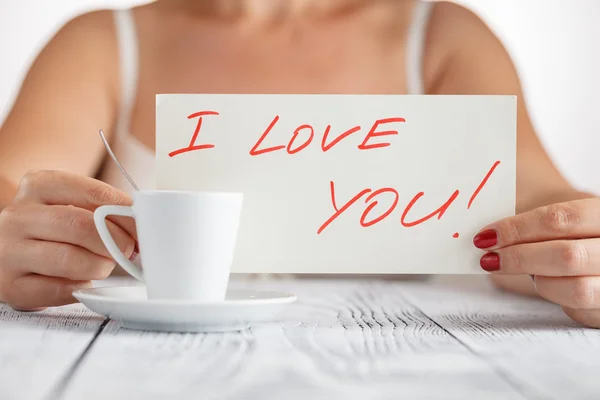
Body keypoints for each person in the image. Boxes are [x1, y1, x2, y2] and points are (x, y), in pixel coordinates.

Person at [0, 0, 598, 327]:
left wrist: (581, 252)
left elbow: (534, 203)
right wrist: (15, 232)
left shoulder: (445, 36)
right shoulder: (101, 40)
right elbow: (16, 188)